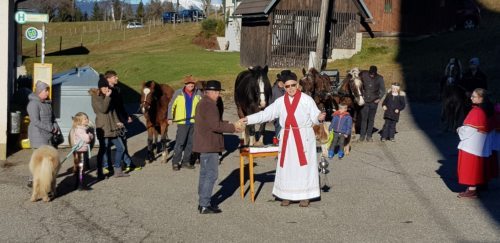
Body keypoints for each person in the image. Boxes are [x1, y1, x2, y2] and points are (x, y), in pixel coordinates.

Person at [240, 72, 326, 207]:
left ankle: (305, 196)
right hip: (287, 137)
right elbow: (266, 114)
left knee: (303, 167)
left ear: (297, 85)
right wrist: (248, 119)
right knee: (287, 166)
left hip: (303, 137)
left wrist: (319, 117)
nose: (291, 88)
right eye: (287, 86)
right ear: (284, 87)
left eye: (293, 85)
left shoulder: (306, 99)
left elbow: (315, 115)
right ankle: (287, 195)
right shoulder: (280, 102)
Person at [193, 80, 243, 214]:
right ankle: (204, 204)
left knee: (204, 174)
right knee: (211, 175)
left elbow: (213, 122)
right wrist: (234, 128)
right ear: (212, 92)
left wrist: (229, 123)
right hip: (209, 144)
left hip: (205, 144)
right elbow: (216, 126)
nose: (219, 95)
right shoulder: (209, 105)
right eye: (217, 92)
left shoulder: (203, 103)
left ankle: (202, 202)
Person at [456, 88, 494, 198]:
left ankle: (472, 190)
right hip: (481, 143)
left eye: (474, 96)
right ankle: (479, 185)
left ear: (481, 98)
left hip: (472, 145)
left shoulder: (477, 111)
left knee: (470, 167)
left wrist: (459, 130)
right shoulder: (487, 108)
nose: (471, 98)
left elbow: (468, 130)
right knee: (478, 166)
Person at [90, 78, 129, 178]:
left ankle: (117, 169)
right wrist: (108, 97)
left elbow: (113, 111)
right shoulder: (95, 97)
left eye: (107, 86)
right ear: (100, 87)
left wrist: (118, 122)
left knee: (121, 148)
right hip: (103, 128)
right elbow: (103, 109)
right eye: (104, 87)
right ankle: (99, 172)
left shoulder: (108, 96)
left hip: (113, 127)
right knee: (103, 150)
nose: (106, 88)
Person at [26, 80, 60, 187]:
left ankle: (45, 178)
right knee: (38, 159)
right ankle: (33, 180)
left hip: (48, 134)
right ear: (39, 91)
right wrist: (50, 128)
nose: (47, 93)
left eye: (47, 91)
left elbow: (52, 118)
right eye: (46, 91)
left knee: (47, 159)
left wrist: (55, 127)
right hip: (37, 135)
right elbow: (35, 121)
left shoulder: (47, 103)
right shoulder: (33, 104)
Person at [104, 70, 139, 172]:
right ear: (109, 79)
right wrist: (116, 121)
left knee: (122, 144)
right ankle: (108, 166)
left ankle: (128, 164)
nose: (117, 78)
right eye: (115, 77)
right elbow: (109, 108)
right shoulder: (106, 91)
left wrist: (126, 116)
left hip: (120, 119)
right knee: (109, 145)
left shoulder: (117, 89)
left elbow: (120, 106)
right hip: (112, 122)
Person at [167, 75, 202, 171]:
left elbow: (203, 106)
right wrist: (170, 117)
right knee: (180, 143)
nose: (191, 85)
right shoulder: (178, 93)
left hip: (194, 122)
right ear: (185, 84)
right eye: (189, 84)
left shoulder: (198, 93)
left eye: (193, 84)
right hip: (182, 122)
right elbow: (171, 105)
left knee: (191, 143)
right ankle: (175, 162)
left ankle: (185, 162)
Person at [359, 65, 386, 142]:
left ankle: (369, 136)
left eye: (373, 74)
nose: (372, 75)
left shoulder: (380, 78)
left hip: (374, 101)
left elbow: (383, 90)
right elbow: (359, 84)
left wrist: (379, 98)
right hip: (365, 101)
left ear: (375, 73)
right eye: (371, 73)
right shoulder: (364, 75)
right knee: (364, 119)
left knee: (371, 119)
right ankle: (362, 136)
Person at [69, 112, 93, 190]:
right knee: (81, 168)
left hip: (80, 150)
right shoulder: (80, 129)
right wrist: (90, 135)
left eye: (87, 118)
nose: (87, 120)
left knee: (80, 167)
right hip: (81, 151)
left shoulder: (81, 128)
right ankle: (80, 184)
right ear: (79, 121)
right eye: (85, 119)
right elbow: (87, 139)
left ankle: (78, 183)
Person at [270, 70, 289, 143]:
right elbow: (270, 102)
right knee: (279, 127)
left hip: (288, 113)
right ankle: (278, 143)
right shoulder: (274, 90)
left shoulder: (286, 89)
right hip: (278, 114)